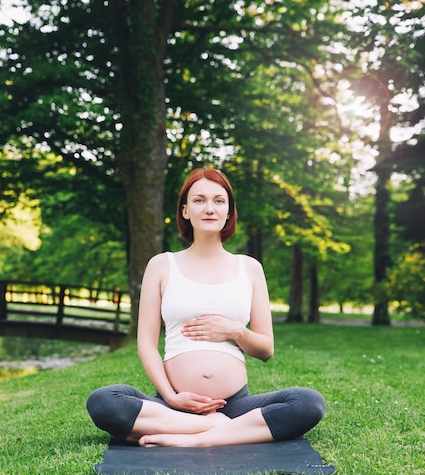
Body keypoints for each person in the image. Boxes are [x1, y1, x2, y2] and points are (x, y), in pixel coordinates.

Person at [86, 168, 325, 447]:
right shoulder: (162, 265)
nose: (209, 208)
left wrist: (236, 331)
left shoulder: (249, 268)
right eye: (199, 200)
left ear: (229, 212)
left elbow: (266, 349)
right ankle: (213, 427)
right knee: (103, 402)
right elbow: (146, 346)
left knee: (309, 403)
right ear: (185, 210)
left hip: (235, 405)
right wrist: (171, 396)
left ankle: (195, 440)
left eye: (219, 201)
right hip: (172, 406)